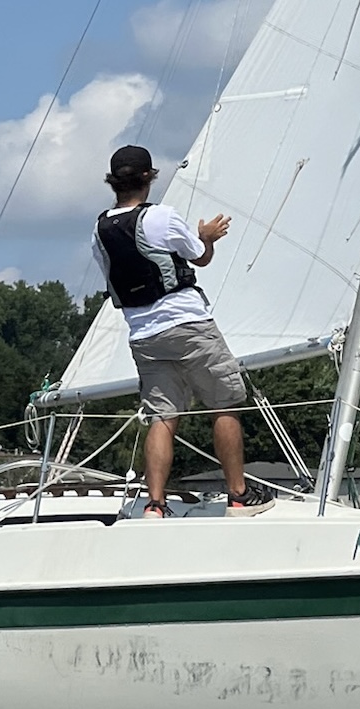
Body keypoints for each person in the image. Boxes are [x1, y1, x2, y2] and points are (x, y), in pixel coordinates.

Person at [94, 144, 274, 518]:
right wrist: (207, 236)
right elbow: (200, 257)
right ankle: (238, 496)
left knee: (162, 416)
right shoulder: (161, 217)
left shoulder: (99, 231)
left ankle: (155, 505)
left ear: (113, 182)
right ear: (149, 177)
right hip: (188, 324)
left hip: (143, 335)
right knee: (224, 403)